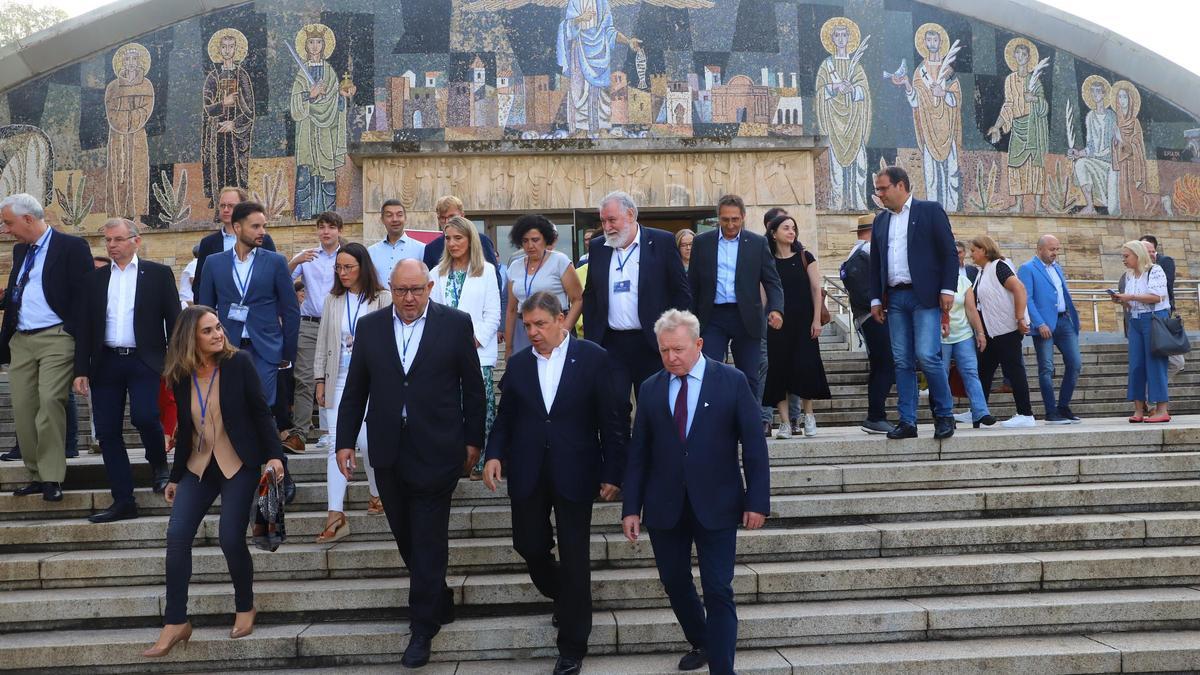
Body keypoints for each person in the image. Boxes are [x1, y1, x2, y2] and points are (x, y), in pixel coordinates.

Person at [334, 259, 485, 668]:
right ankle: (439, 593)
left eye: (416, 290)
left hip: (437, 449)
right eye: (401, 291)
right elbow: (355, 389)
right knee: (405, 535)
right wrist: (344, 441)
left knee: (428, 536)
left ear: (430, 287)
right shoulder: (370, 327)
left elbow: (473, 387)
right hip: (387, 450)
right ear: (391, 288)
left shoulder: (455, 323)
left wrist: (474, 441)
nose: (409, 298)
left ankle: (422, 628)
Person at [482, 292, 627, 675]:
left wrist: (614, 472)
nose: (532, 332)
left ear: (561, 319)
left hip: (576, 470)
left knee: (575, 555)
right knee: (527, 545)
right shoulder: (517, 365)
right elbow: (506, 418)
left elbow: (612, 420)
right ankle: (567, 596)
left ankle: (572, 646)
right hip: (528, 470)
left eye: (540, 324)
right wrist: (494, 454)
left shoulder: (593, 358)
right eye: (527, 325)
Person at [622, 309, 769, 675]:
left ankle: (723, 668)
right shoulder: (652, 387)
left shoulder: (731, 382)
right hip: (664, 505)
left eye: (679, 350)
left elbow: (754, 446)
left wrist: (757, 501)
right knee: (674, 581)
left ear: (699, 344)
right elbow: (639, 452)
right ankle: (702, 639)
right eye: (664, 350)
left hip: (717, 503)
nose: (671, 357)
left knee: (718, 589)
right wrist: (630, 507)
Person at [142, 305, 286, 658]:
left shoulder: (239, 364)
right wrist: (175, 477)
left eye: (218, 327)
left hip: (238, 462)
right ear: (191, 338)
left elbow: (260, 412)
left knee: (229, 538)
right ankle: (175, 621)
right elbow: (187, 428)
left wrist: (275, 456)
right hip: (198, 466)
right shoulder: (180, 373)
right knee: (176, 537)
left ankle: (245, 606)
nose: (218, 334)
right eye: (208, 331)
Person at [73, 218, 181, 523]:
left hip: (144, 360)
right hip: (105, 362)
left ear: (136, 240)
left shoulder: (158, 275)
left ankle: (159, 465)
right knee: (107, 433)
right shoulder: (94, 279)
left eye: (118, 239)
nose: (112, 245)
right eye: (107, 240)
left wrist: (174, 363)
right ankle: (123, 499)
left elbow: (174, 322)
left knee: (145, 415)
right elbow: (85, 328)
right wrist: (80, 369)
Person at [0, 194, 92, 502]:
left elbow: (83, 301)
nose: (6, 229)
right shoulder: (20, 250)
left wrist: (82, 354)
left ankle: (52, 476)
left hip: (57, 336)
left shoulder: (72, 247)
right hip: (21, 340)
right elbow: (19, 292)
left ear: (28, 219)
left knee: (51, 399)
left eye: (8, 222)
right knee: (25, 409)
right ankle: (36, 475)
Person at [868, 167, 958, 439]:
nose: (879, 194)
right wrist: (875, 298)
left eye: (883, 188)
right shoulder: (881, 221)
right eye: (878, 189)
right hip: (895, 298)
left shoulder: (929, 211)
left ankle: (944, 415)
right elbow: (876, 263)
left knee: (928, 356)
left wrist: (947, 289)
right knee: (901, 361)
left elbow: (949, 253)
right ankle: (907, 421)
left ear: (901, 185)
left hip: (925, 296)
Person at [313, 243, 389, 542]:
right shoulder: (333, 300)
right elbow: (322, 342)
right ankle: (335, 514)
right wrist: (319, 379)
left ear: (363, 267)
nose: (343, 273)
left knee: (368, 442)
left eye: (348, 267)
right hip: (338, 378)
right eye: (339, 268)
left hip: (371, 382)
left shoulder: (382, 298)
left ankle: (376, 493)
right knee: (335, 443)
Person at [582, 191, 691, 400]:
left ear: (630, 215)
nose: (606, 227)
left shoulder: (662, 242)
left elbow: (681, 293)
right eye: (603, 221)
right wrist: (592, 340)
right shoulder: (599, 247)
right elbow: (591, 296)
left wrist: (677, 334)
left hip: (652, 342)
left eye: (612, 220)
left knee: (654, 404)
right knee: (613, 406)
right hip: (611, 343)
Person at [196, 201, 300, 411]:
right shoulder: (214, 263)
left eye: (263, 226)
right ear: (237, 227)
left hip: (266, 348)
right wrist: (204, 350)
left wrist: (287, 352)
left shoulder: (275, 262)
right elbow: (204, 310)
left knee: (261, 405)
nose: (262, 232)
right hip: (227, 347)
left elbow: (290, 310)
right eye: (255, 226)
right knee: (232, 405)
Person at [688, 194, 784, 403]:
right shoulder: (702, 243)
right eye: (725, 219)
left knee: (749, 376)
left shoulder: (757, 243)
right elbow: (692, 284)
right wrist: (690, 318)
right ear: (718, 218)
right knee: (709, 373)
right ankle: (714, 424)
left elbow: (772, 281)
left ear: (743, 217)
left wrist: (776, 309)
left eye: (735, 219)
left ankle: (749, 426)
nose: (730, 224)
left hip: (746, 318)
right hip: (712, 317)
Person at [431, 216, 501, 480]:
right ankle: (454, 460)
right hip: (444, 356)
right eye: (448, 238)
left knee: (480, 406)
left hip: (478, 353)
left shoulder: (486, 271)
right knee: (450, 408)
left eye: (458, 238)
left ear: (470, 239)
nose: (452, 243)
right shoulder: (435, 274)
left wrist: (471, 341)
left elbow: (493, 314)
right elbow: (433, 315)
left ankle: (482, 461)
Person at [762, 214, 830, 438]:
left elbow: (815, 289)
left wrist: (816, 320)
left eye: (793, 228)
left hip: (804, 321)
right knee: (778, 369)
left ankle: (808, 415)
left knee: (805, 366)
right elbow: (763, 292)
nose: (791, 232)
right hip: (778, 322)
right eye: (786, 228)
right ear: (774, 233)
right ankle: (784, 422)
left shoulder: (805, 257)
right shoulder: (767, 260)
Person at [285, 211, 343, 453]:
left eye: (331, 227)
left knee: (340, 377)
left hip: (339, 322)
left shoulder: (347, 256)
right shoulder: (308, 256)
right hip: (308, 323)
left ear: (340, 230)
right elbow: (282, 279)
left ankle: (341, 432)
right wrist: (295, 261)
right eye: (321, 227)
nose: (326, 231)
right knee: (304, 378)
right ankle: (299, 434)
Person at [969, 235, 1036, 428]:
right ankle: (979, 412)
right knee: (984, 371)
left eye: (974, 250)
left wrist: (1020, 317)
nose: (971, 254)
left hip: (1006, 329)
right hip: (992, 332)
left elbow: (1019, 288)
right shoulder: (983, 271)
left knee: (1014, 369)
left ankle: (1026, 414)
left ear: (984, 250)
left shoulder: (999, 265)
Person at [1018, 235, 1082, 424]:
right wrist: (1039, 323)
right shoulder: (1027, 268)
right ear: (1039, 249)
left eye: (1057, 249)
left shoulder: (1057, 267)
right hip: (1044, 326)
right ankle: (1051, 412)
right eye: (1051, 249)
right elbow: (1027, 298)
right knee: (1046, 368)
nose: (1055, 253)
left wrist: (1073, 316)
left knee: (1075, 364)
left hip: (1064, 322)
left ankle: (1063, 406)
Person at [841, 213, 895, 434]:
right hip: (876, 315)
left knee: (879, 366)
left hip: (865, 316)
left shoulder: (855, 252)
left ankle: (876, 415)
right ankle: (876, 415)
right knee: (886, 365)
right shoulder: (868, 251)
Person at [504, 214, 583, 357]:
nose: (530, 245)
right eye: (525, 241)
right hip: (524, 328)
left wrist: (563, 330)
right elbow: (511, 310)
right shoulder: (514, 267)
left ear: (546, 239)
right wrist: (509, 347)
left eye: (535, 240)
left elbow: (578, 299)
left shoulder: (560, 261)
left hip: (553, 326)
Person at [1113, 240, 1171, 422]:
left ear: (1138, 255)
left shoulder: (1155, 270)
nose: (1124, 260)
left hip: (1154, 320)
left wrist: (1130, 296)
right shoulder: (1130, 275)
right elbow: (1133, 304)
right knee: (1136, 365)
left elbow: (1156, 297)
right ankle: (1139, 410)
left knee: (1156, 363)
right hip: (1136, 320)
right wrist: (1123, 300)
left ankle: (1162, 410)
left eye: (1126, 256)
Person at [192, 186, 277, 294]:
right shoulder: (208, 243)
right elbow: (200, 282)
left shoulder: (262, 239)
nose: (226, 210)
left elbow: (273, 276)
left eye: (231, 206)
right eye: (222, 206)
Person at [941, 264, 994, 428]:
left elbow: (971, 310)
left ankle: (980, 412)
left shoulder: (964, 282)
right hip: (939, 336)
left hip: (963, 334)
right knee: (941, 375)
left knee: (971, 371)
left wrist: (980, 333)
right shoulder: (932, 282)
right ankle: (946, 415)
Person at [421, 195, 503, 295]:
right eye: (442, 218)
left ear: (462, 215)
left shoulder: (482, 241)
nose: (447, 221)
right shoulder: (431, 249)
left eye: (451, 216)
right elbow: (427, 286)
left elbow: (495, 281)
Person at [1139, 235, 1185, 378]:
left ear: (1153, 248)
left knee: (1174, 359)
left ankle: (1154, 388)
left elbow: (1166, 288)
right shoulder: (1133, 271)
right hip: (1143, 320)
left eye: (1149, 250)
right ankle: (1154, 388)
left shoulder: (1164, 262)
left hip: (1161, 314)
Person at [368, 199, 425, 287]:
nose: (395, 219)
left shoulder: (421, 249)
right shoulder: (371, 252)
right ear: (382, 219)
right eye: (389, 215)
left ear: (405, 218)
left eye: (399, 215)